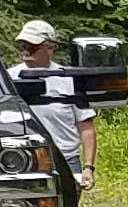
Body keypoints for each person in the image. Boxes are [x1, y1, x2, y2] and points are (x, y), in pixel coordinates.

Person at [11, 18, 96, 190]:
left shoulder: (68, 79)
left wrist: (88, 167)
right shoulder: (8, 78)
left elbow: (86, 127)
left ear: (49, 48)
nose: (26, 51)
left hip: (65, 161)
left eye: (32, 46)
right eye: (23, 45)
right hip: (23, 162)